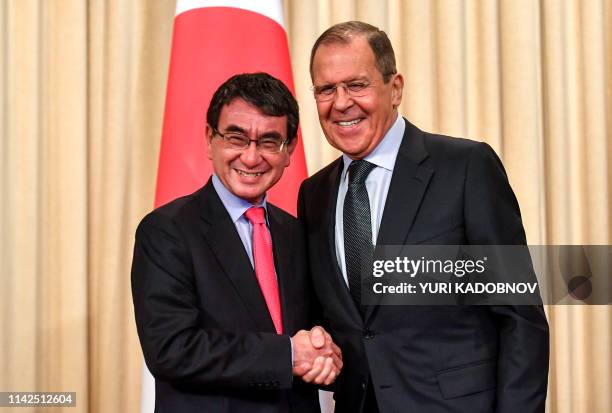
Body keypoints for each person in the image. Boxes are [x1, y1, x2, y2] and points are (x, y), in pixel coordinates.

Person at [298, 21, 549, 413]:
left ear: (395, 88)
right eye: (326, 89)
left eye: (357, 84)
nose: (341, 102)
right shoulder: (313, 194)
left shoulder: (466, 167)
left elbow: (520, 318)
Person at [132, 72, 342, 413]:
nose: (251, 157)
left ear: (289, 150)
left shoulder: (297, 232)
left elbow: (317, 330)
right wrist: (289, 354)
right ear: (209, 139)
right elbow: (172, 349)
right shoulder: (166, 230)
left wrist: (325, 351)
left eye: (270, 141)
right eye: (236, 138)